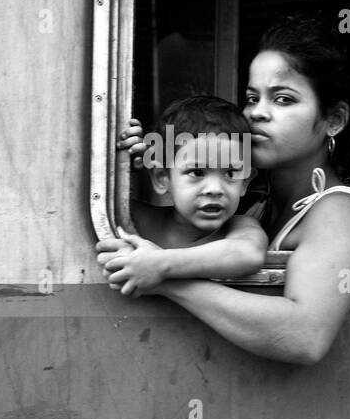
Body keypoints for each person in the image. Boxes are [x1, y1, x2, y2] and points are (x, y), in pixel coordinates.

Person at [97, 15, 350, 365]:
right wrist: (126, 161)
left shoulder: (339, 214)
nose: (257, 114)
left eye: (282, 100)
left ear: (334, 120)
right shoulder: (255, 203)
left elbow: (304, 336)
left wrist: (163, 279)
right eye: (252, 98)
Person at [105, 95, 267, 295]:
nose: (215, 188)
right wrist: (119, 166)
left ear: (245, 183)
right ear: (161, 178)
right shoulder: (138, 219)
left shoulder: (240, 226)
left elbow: (249, 254)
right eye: (197, 173)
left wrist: (158, 264)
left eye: (230, 173)